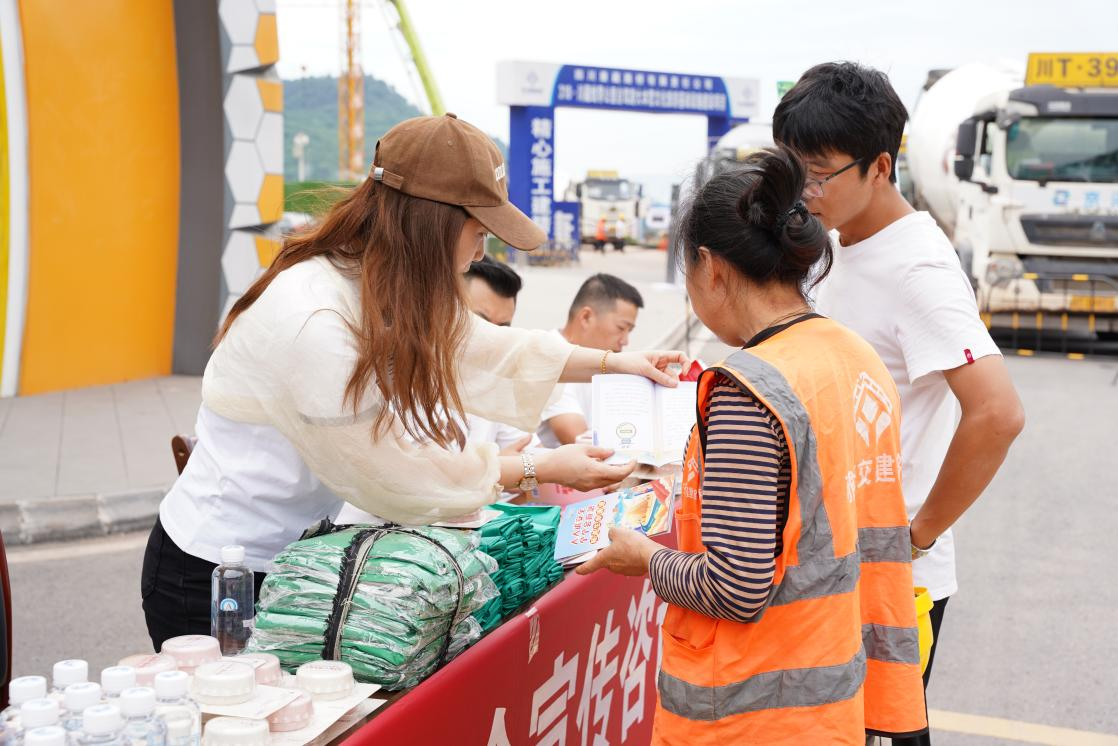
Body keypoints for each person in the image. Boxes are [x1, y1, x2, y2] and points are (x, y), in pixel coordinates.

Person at [140, 113, 685, 649]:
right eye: (479, 232)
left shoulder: (373, 283)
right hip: (218, 573)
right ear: (432, 224)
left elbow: (484, 347)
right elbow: (397, 472)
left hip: (297, 561)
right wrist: (539, 467)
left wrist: (619, 363)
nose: (481, 253)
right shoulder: (314, 318)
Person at [578, 147, 928, 744]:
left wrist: (645, 559)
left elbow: (734, 587)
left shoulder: (749, 390)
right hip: (832, 698)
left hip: (748, 713)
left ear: (710, 266)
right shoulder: (854, 357)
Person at [773, 63, 1025, 745]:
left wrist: (915, 538)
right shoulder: (837, 243)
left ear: (880, 166)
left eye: (817, 175)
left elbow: (998, 414)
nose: (802, 192)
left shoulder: (919, 269)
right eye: (793, 171)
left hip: (887, 584)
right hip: (828, 566)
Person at [536, 274, 644, 448]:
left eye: (629, 331)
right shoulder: (549, 356)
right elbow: (580, 442)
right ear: (586, 317)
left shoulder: (603, 360)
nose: (625, 341)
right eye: (621, 328)